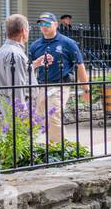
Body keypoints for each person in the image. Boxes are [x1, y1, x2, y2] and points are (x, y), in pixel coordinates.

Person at [28, 12, 88, 146]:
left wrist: (86, 89)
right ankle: (46, 145)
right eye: (41, 24)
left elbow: (79, 66)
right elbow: (28, 68)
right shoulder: (35, 45)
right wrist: (36, 63)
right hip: (42, 86)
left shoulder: (68, 43)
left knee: (53, 114)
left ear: (55, 24)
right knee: (40, 117)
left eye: (47, 23)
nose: (44, 26)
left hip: (61, 85)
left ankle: (59, 148)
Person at [0, 14, 48, 118]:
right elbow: (17, 86)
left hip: (6, 104)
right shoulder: (15, 54)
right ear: (23, 30)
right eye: (28, 28)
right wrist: (22, 114)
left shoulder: (2, 50)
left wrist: (35, 64)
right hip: (18, 109)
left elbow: (13, 75)